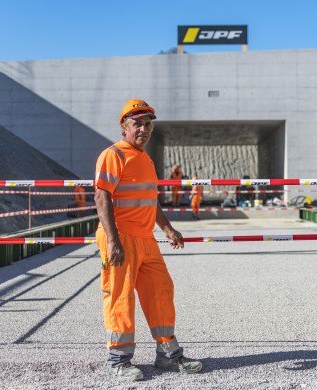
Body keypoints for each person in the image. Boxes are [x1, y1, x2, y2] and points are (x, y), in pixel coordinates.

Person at [94, 98, 202, 382]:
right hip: (120, 237)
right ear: (124, 127)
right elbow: (101, 195)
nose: (143, 129)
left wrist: (167, 229)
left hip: (145, 239)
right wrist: (114, 241)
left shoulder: (144, 159)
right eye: (137, 124)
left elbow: (150, 201)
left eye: (147, 124)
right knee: (120, 296)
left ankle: (168, 355)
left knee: (161, 290)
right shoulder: (113, 154)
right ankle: (119, 360)